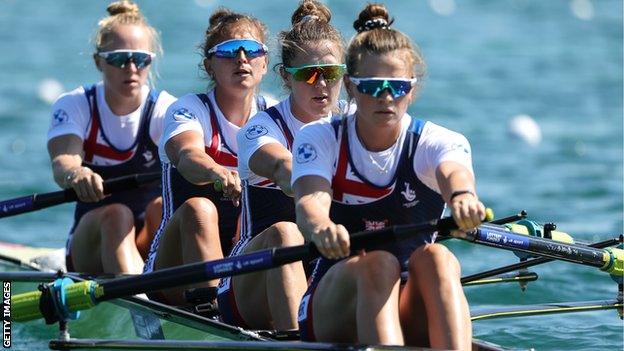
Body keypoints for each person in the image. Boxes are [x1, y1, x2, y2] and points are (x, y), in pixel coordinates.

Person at [292, 3, 486, 349]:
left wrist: (463, 199)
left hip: (406, 305)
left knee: (439, 257)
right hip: (331, 306)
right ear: (350, 87)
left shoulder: (439, 141)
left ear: (411, 89)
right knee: (378, 264)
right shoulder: (321, 137)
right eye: (372, 86)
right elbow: (311, 200)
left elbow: (454, 174)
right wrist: (321, 226)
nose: (385, 97)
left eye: (396, 86)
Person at [217, 0, 348, 330]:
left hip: (323, 274)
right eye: (308, 74)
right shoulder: (261, 128)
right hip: (249, 284)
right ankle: (296, 337)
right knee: (286, 232)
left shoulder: (355, 124)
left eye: (330, 73)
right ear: (286, 78)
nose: (321, 84)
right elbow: (283, 168)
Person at [143, 8, 275, 306]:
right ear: (209, 65)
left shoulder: (274, 116)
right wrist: (216, 171)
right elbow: (187, 154)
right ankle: (210, 310)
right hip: (174, 270)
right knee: (199, 209)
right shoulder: (188, 110)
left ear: (265, 63)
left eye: (252, 50)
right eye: (229, 51)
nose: (242, 58)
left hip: (241, 262)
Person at [47, 0, 175, 275]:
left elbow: (190, 152)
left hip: (147, 243)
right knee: (118, 214)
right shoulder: (76, 105)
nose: (131, 67)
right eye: (119, 58)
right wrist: (75, 174)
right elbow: (64, 160)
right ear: (98, 62)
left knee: (162, 208)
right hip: (89, 247)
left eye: (140, 59)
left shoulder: (165, 109)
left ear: (150, 61)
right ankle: (142, 306)